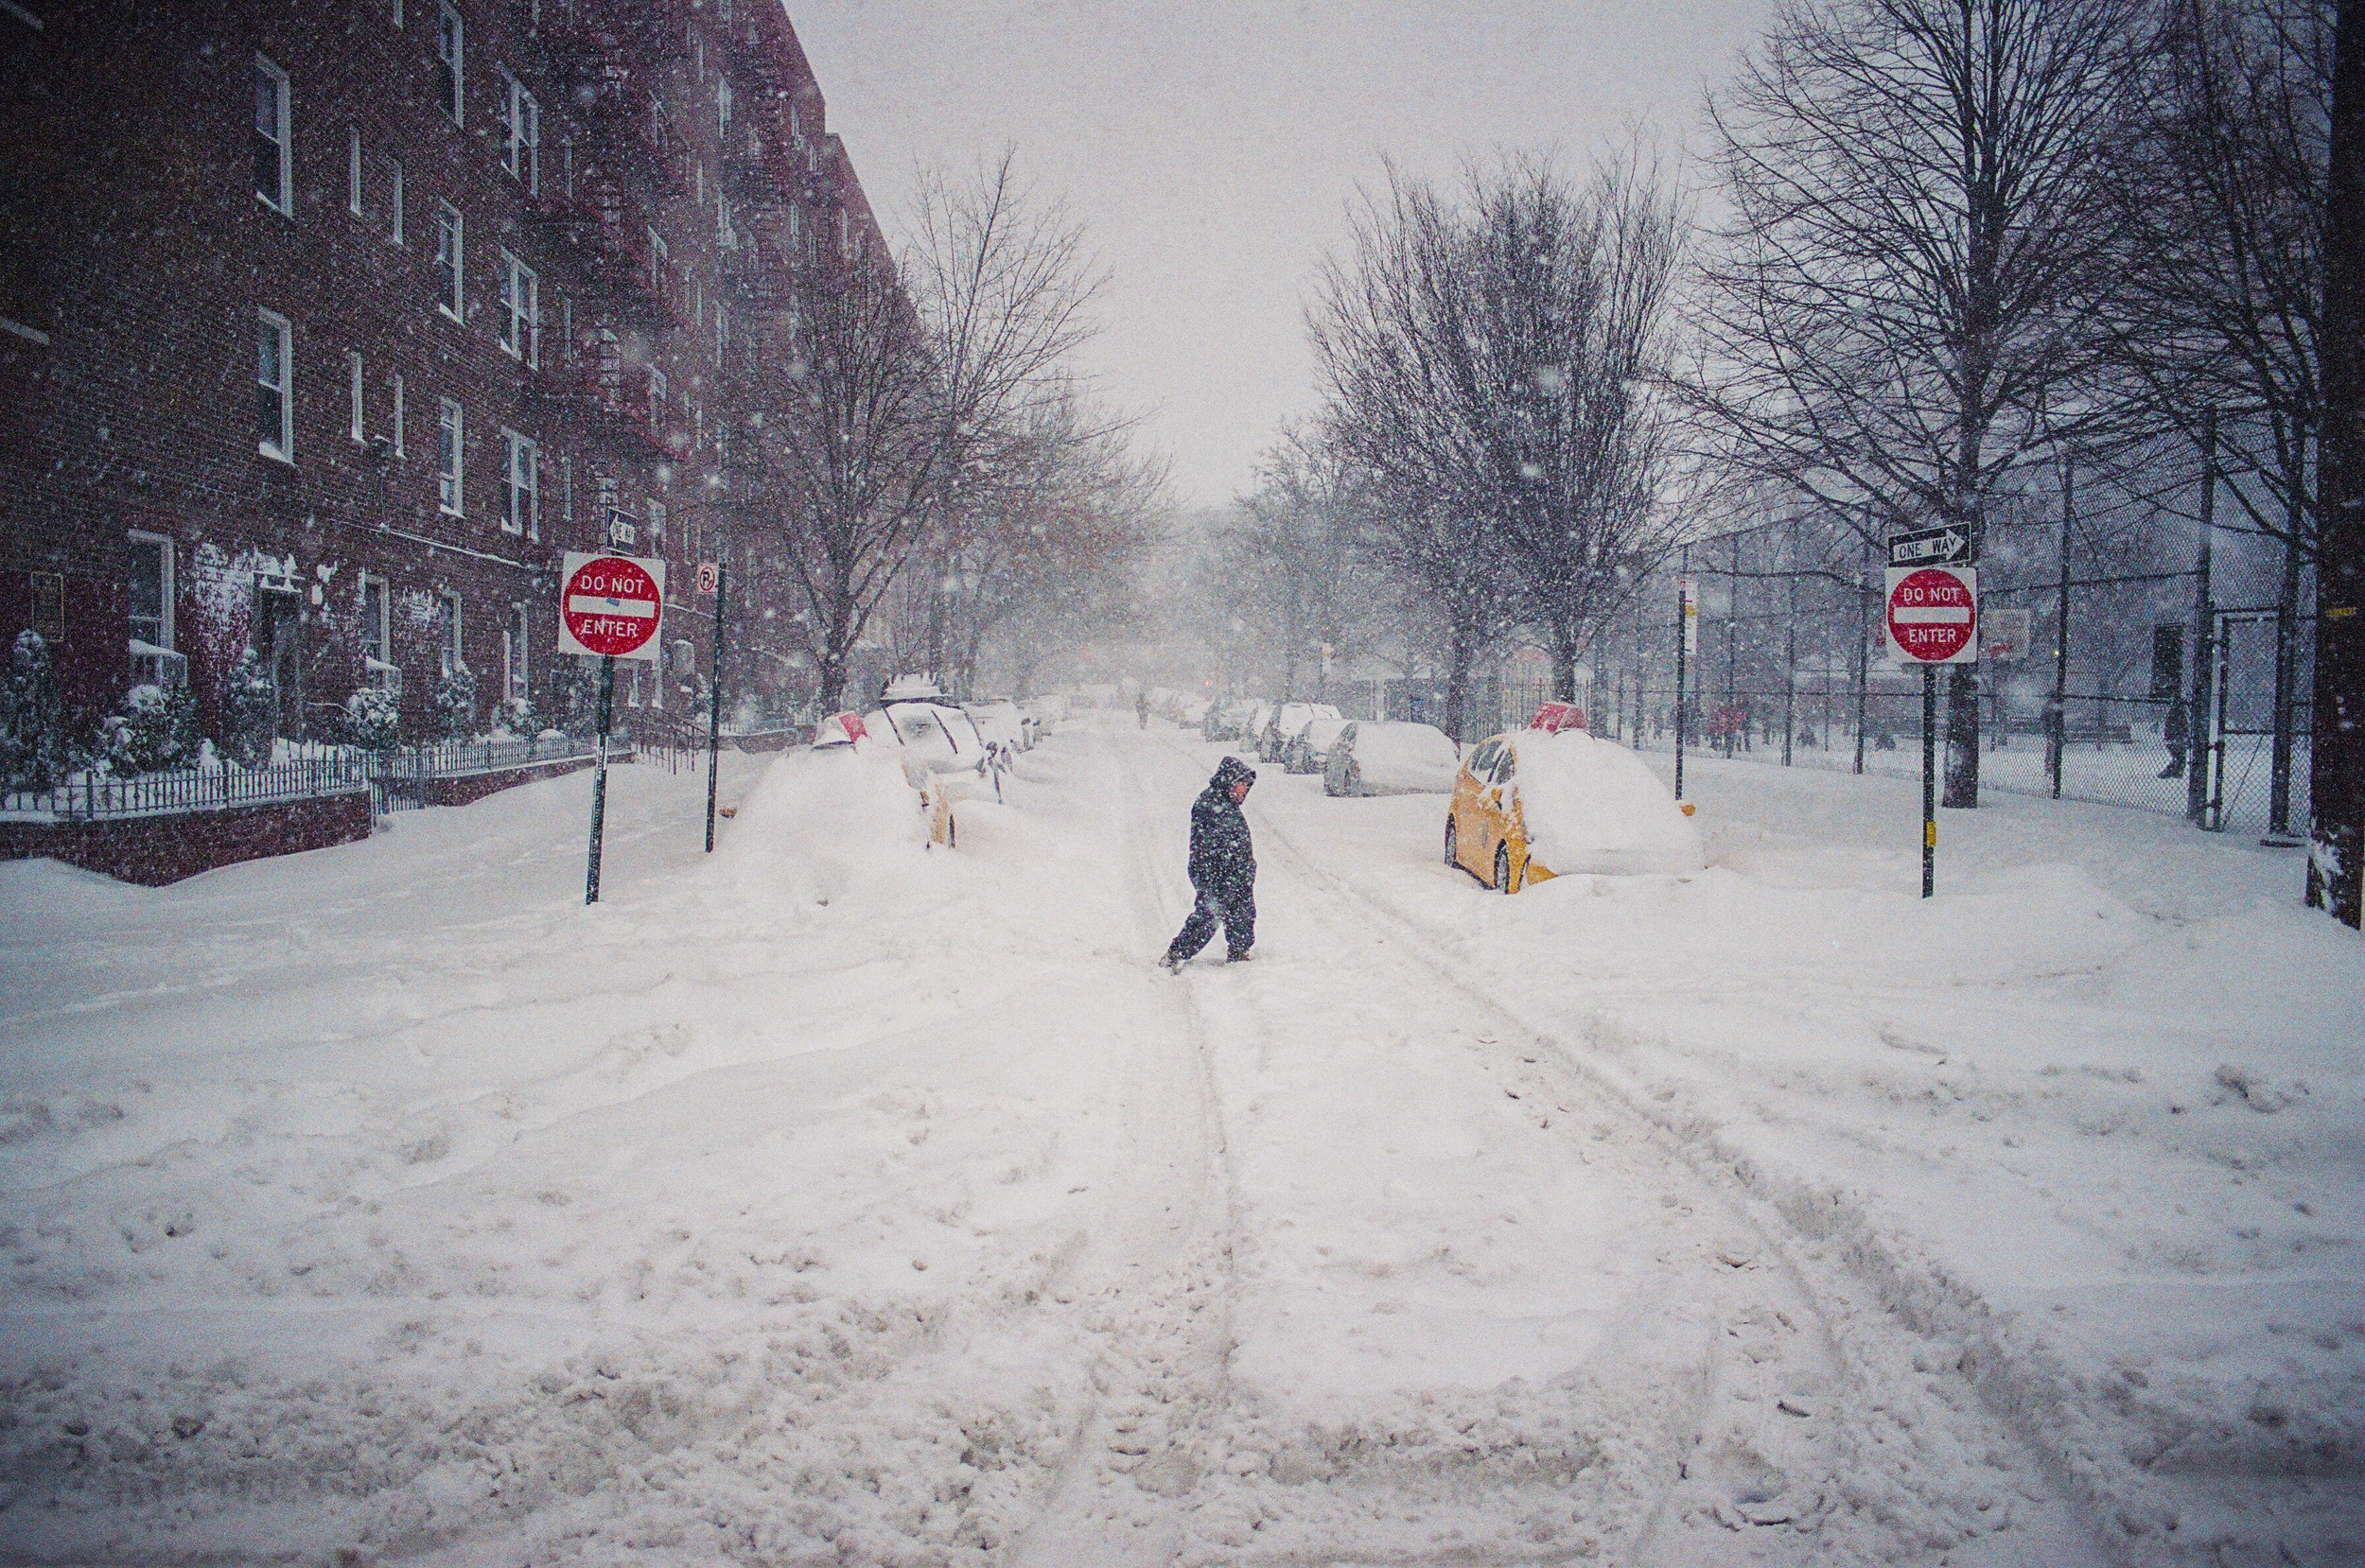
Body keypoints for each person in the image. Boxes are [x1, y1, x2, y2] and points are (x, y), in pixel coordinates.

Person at [1163, 756, 1257, 969]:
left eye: (1246, 787)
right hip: (1215, 874)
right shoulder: (1210, 804)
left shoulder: (1227, 804)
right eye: (1241, 785)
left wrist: (1246, 866)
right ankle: (1177, 953)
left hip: (1235, 874)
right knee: (1208, 916)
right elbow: (1208, 846)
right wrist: (1220, 872)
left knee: (1242, 912)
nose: (1244, 792)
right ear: (1229, 781)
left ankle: (1239, 952)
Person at [2160, 691, 2189, 778]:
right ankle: (2174, 772)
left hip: (2174, 737)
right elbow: (2182, 726)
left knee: (2179, 756)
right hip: (2176, 737)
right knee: (2180, 756)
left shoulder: (2174, 713)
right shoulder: (2178, 713)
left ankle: (2174, 772)